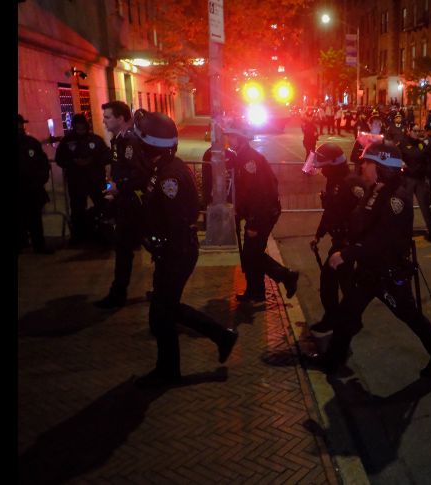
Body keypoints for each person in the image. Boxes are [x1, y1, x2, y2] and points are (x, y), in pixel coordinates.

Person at [305, 140, 431, 377]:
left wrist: (347, 253)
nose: (363, 166)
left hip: (387, 274)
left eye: (368, 162)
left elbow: (382, 240)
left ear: (383, 166)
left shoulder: (397, 199)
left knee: (410, 316)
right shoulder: (377, 189)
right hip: (368, 272)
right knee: (347, 313)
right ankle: (334, 360)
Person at [130, 111, 239, 388]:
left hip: (177, 252)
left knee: (164, 312)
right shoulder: (161, 168)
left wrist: (160, 243)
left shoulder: (171, 177)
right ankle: (219, 337)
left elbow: (179, 221)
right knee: (164, 310)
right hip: (172, 251)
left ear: (150, 146)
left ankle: (170, 370)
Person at [225, 128, 299, 302]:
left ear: (240, 139)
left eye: (232, 136)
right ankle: (256, 291)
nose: (228, 139)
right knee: (252, 254)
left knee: (252, 254)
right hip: (257, 213)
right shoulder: (241, 157)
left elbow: (259, 194)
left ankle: (286, 276)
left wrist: (253, 223)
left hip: (262, 214)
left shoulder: (249, 160)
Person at [305, 143, 366, 333]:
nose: (321, 170)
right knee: (344, 282)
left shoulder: (351, 183)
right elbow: (330, 211)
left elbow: (362, 216)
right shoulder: (334, 181)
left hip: (347, 242)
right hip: (339, 239)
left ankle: (339, 320)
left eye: (324, 166)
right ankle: (348, 319)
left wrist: (350, 244)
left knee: (332, 282)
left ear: (333, 164)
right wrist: (319, 234)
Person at [95, 101, 148, 308]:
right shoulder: (118, 140)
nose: (104, 121)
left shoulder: (129, 141)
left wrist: (120, 187)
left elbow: (140, 174)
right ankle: (118, 293)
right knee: (124, 249)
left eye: (108, 117)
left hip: (135, 204)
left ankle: (118, 295)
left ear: (120, 118)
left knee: (129, 248)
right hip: (125, 202)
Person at [54, 113, 110, 245]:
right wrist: (73, 162)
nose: (80, 131)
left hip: (95, 180)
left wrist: (93, 161)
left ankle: (104, 235)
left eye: (82, 128)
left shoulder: (95, 139)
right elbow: (60, 158)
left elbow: (105, 154)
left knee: (102, 205)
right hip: (76, 181)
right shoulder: (67, 141)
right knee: (77, 209)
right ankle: (79, 237)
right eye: (77, 128)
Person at [18, 114, 53, 254]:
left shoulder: (31, 142)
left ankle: (39, 245)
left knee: (35, 219)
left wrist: (40, 179)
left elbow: (43, 162)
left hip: (32, 189)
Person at [400, 123, 431, 239]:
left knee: (425, 205)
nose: (417, 133)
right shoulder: (403, 144)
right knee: (408, 207)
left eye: (418, 131)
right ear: (409, 131)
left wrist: (427, 171)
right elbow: (398, 156)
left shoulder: (421, 144)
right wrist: (401, 163)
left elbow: (428, 157)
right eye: (414, 131)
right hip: (408, 179)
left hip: (420, 179)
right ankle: (406, 230)